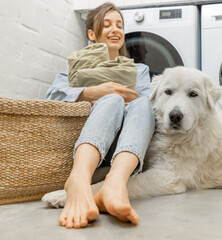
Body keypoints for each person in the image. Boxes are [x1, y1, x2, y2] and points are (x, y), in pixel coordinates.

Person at [45, 2, 155, 229]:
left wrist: (123, 98)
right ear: (92, 34)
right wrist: (91, 92)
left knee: (145, 102)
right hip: (87, 143)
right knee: (112, 99)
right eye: (107, 25)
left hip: (123, 148)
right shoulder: (78, 67)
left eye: (119, 25)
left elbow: (144, 112)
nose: (115, 29)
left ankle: (115, 183)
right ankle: (78, 178)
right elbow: (52, 96)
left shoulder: (139, 70)